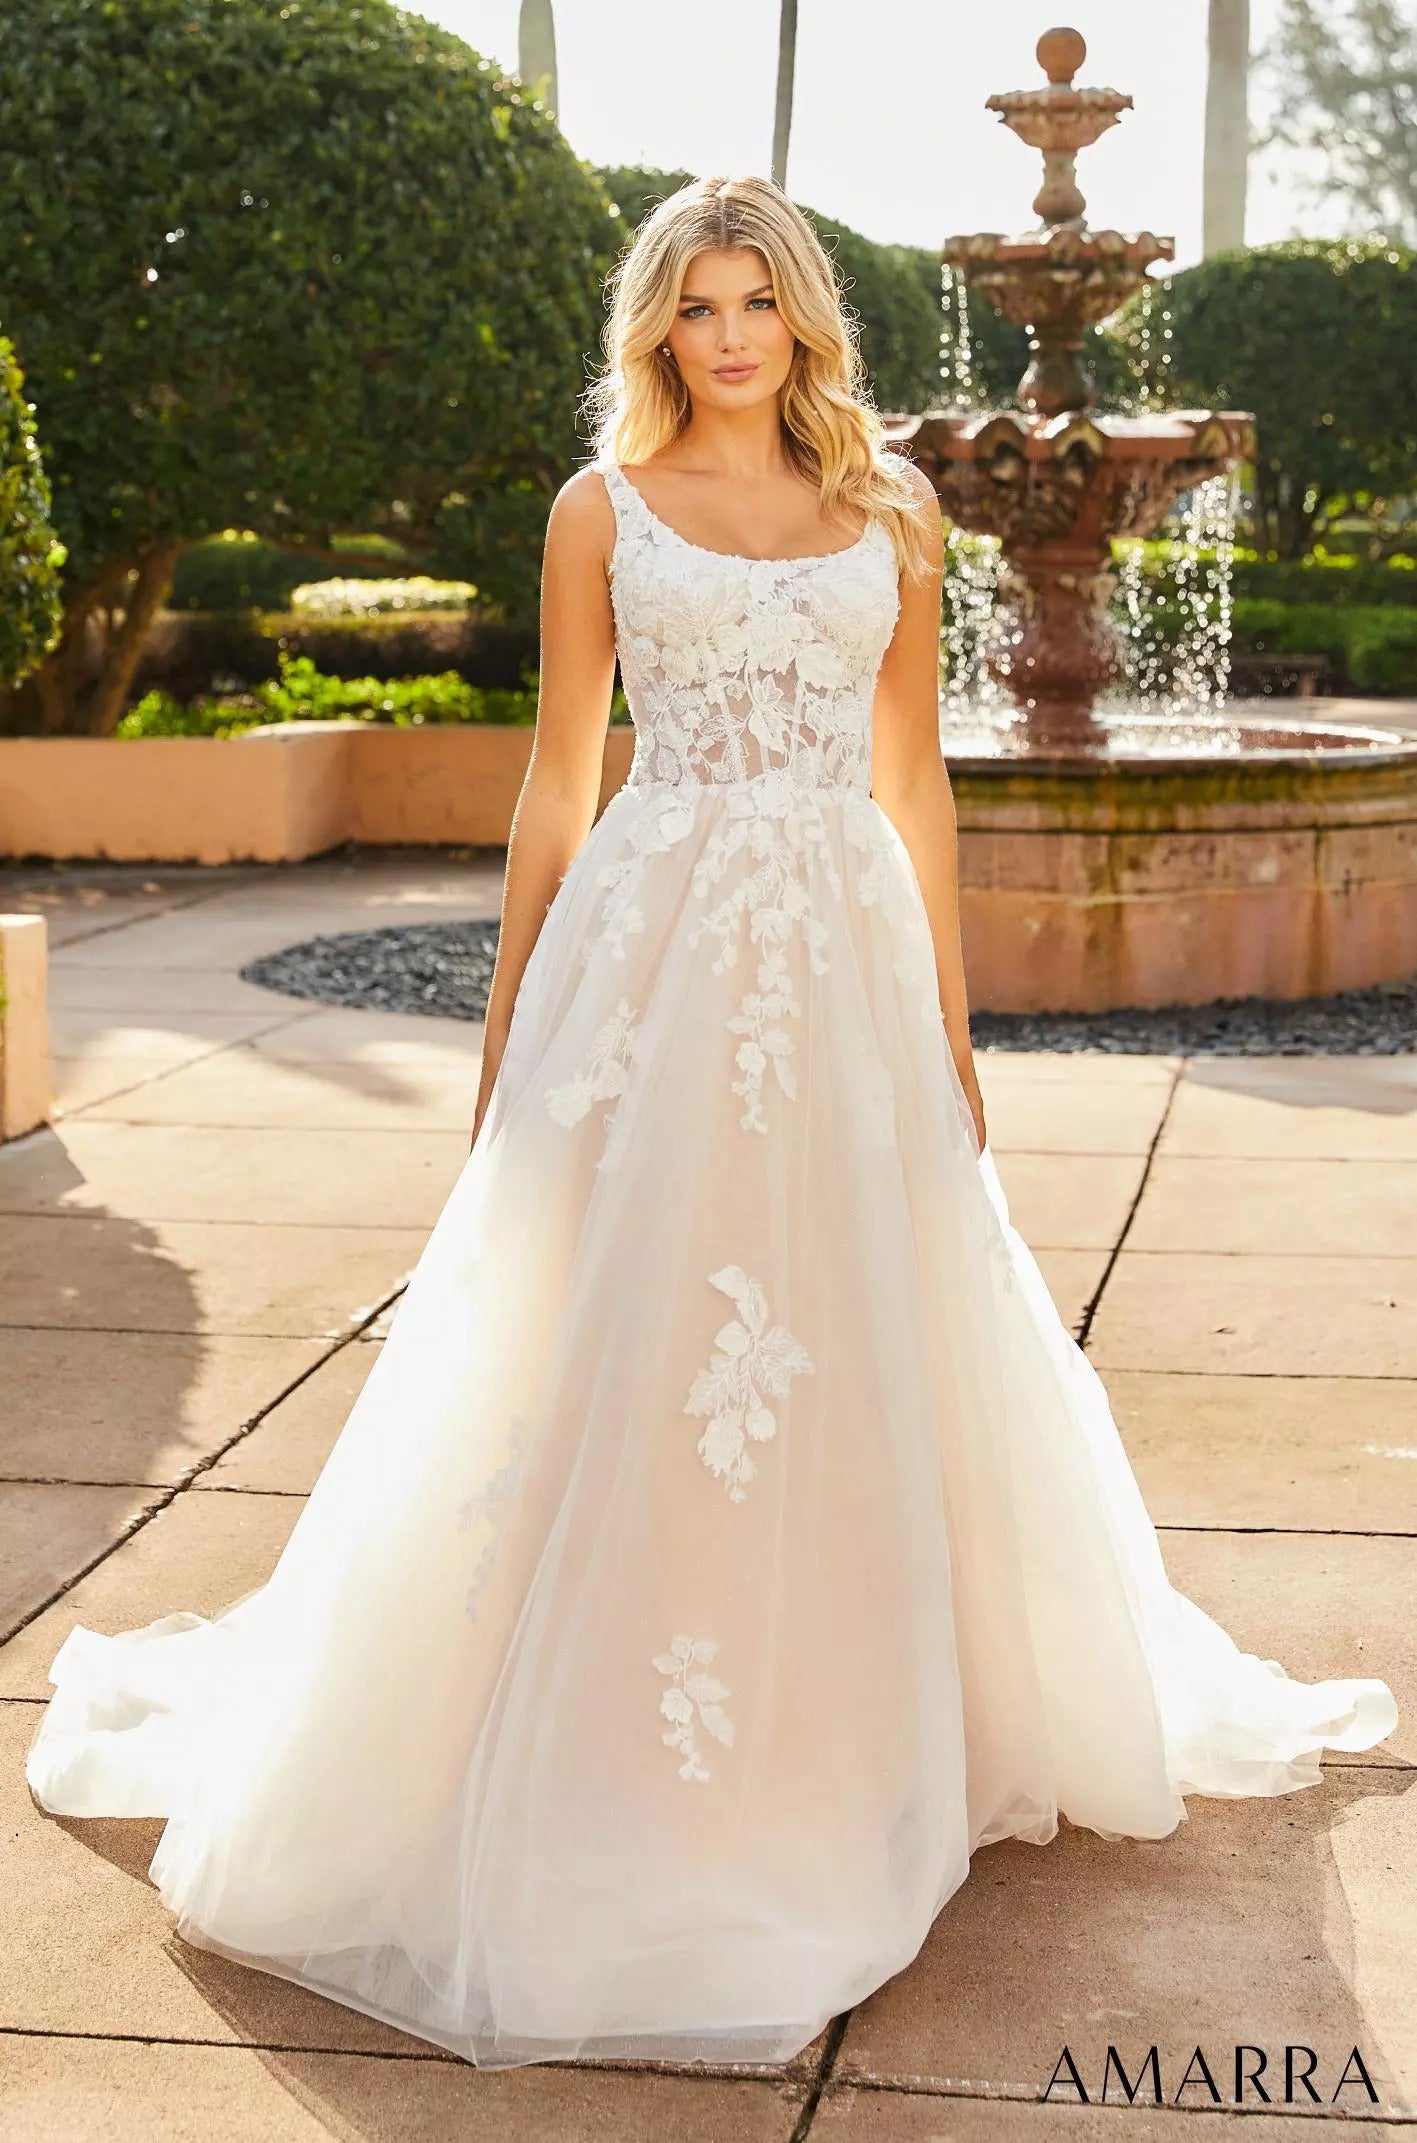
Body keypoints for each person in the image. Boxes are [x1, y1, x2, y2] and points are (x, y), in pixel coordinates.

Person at [25, 174, 1397, 2071]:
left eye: (756, 302)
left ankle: (854, 1718)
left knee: (858, 1319)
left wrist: (949, 1015)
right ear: (659, 327)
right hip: (649, 965)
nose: (730, 335)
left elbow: (913, 782)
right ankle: (603, 1717)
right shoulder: (599, 513)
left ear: (803, 318)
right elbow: (554, 784)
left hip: (836, 954)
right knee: (621, 1321)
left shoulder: (895, 509)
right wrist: (510, 1024)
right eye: (697, 307)